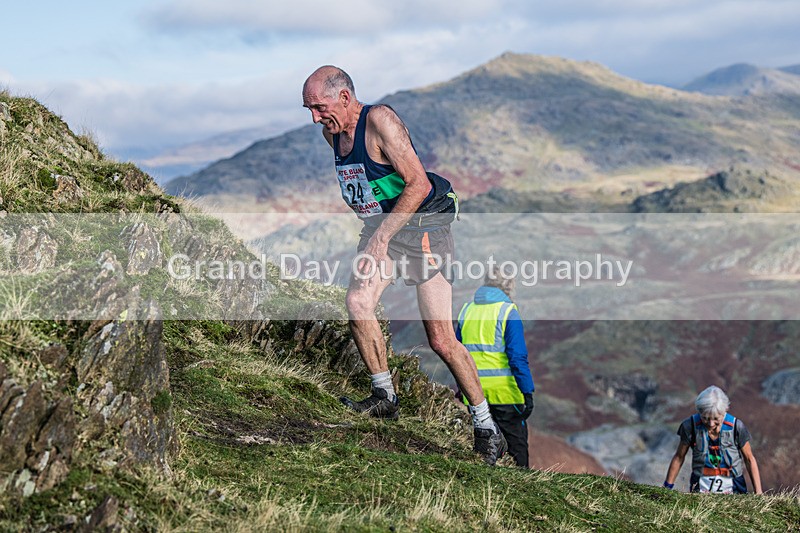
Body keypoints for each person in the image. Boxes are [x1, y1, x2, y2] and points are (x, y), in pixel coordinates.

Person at [302, 65, 507, 465]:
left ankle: (487, 428)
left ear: (344, 97)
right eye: (308, 109)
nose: (314, 118)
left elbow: (419, 184)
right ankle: (384, 397)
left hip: (423, 230)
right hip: (385, 229)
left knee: (441, 340)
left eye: (319, 107)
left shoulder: (379, 121)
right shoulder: (332, 134)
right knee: (358, 302)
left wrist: (381, 236)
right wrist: (376, 229)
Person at [456, 263, 535, 468]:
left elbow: (457, 354)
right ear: (509, 285)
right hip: (505, 394)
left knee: (484, 443)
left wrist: (460, 387)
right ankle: (522, 490)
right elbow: (517, 358)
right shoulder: (508, 311)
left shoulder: (467, 310)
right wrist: (527, 392)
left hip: (473, 392)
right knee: (516, 448)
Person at [664, 385, 762, 494]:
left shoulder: (737, 427)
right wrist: (667, 487)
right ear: (699, 412)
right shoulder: (689, 426)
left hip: (734, 486)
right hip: (700, 485)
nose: (710, 424)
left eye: (716, 419)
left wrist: (758, 492)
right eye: (705, 418)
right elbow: (679, 457)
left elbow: (749, 459)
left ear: (725, 411)